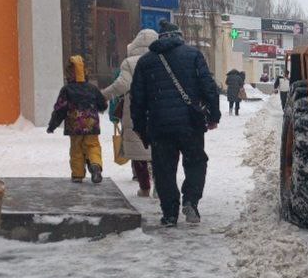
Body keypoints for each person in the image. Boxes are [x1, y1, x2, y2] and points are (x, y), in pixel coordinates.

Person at [130, 20, 221, 227]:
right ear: (179, 37)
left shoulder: (146, 62)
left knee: (164, 170)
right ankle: (190, 201)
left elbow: (137, 99)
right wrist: (213, 116)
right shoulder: (194, 55)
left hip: (160, 126)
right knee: (196, 162)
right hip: (190, 124)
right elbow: (209, 87)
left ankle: (170, 213)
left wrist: (140, 128)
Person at [102, 28, 158, 197]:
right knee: (159, 151)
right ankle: (160, 186)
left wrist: (103, 95)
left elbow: (122, 85)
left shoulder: (129, 62)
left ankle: (145, 187)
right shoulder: (161, 59)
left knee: (138, 151)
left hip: (135, 109)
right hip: (158, 109)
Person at [47, 55, 108, 184]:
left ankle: (77, 174)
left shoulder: (67, 90)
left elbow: (60, 109)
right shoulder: (92, 88)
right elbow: (103, 104)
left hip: (75, 125)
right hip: (91, 125)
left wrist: (53, 124)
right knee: (93, 146)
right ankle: (95, 165)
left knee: (76, 150)